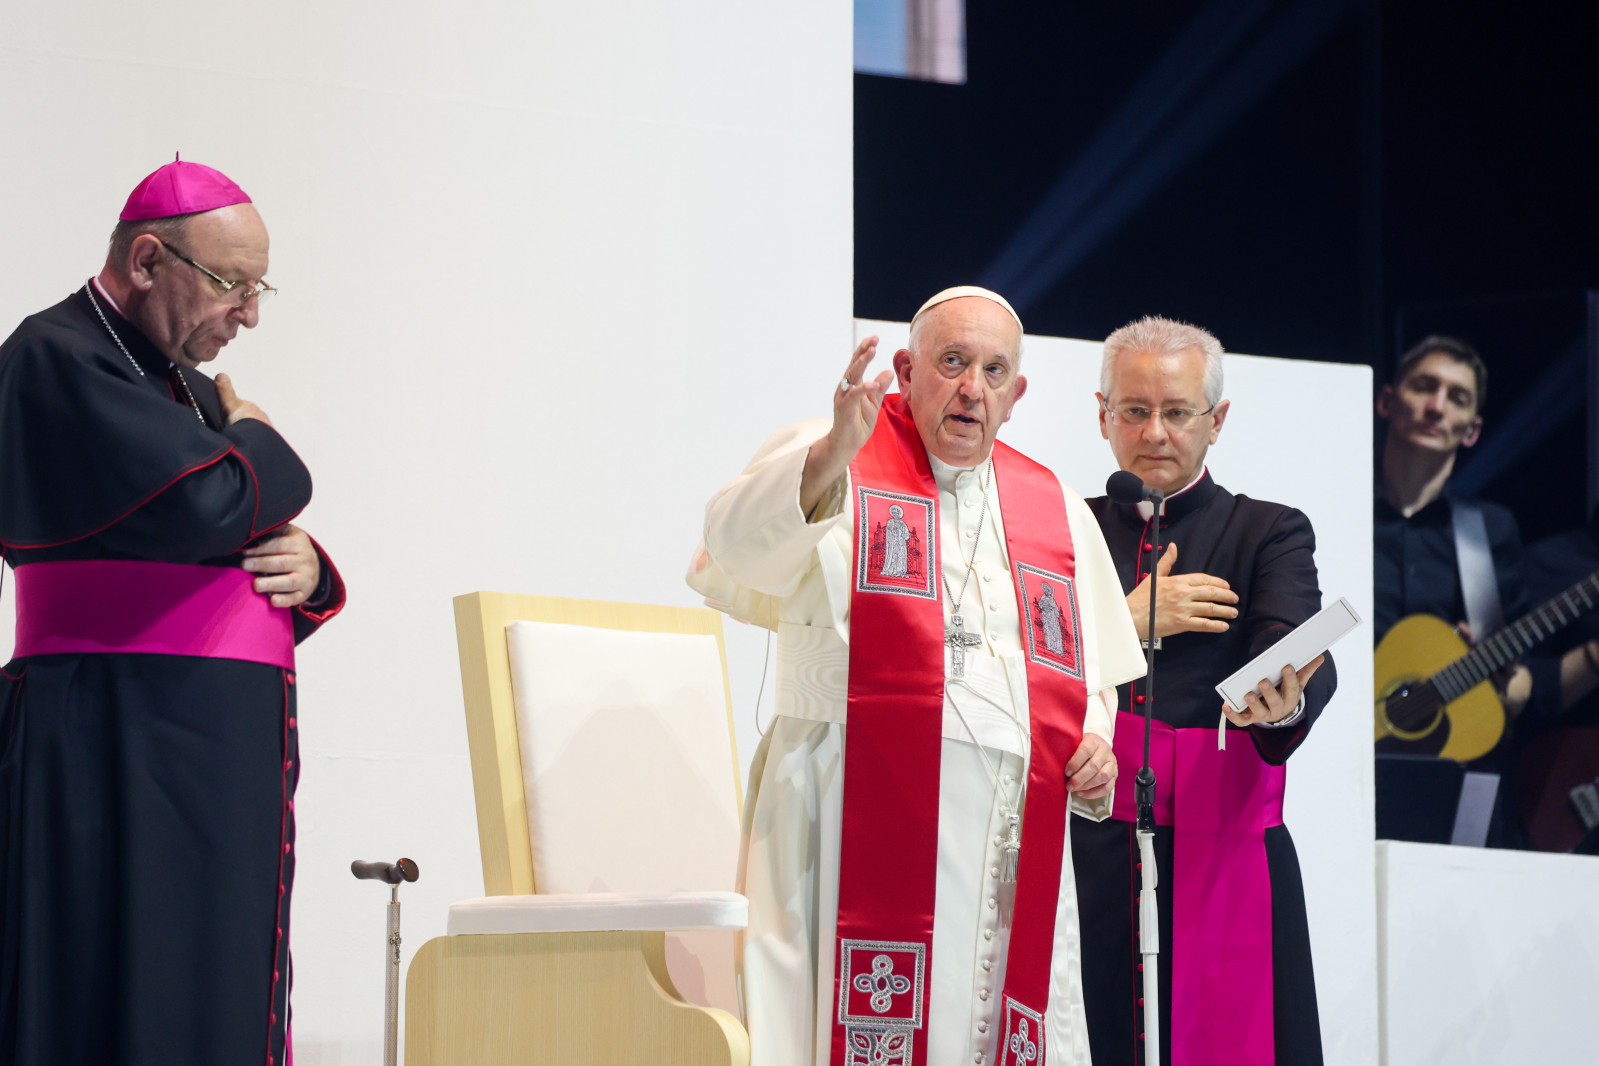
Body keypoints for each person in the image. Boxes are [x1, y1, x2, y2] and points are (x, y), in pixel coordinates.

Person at [687, 287, 1145, 1066]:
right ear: (905, 370)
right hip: (844, 804)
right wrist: (829, 457)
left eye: (993, 371)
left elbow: (1086, 676)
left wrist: (1094, 742)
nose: (972, 388)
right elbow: (734, 550)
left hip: (1005, 831)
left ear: (1016, 393)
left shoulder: (1055, 510)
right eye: (952, 362)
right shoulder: (835, 450)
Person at [0, 157, 345, 1066]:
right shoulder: (54, 355)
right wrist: (256, 432)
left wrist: (304, 568)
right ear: (148, 259)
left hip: (204, 743)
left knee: (215, 983)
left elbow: (218, 528)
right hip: (112, 736)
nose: (249, 314)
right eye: (232, 284)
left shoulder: (179, 380)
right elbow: (206, 504)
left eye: (259, 287)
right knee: (123, 982)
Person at [1071, 315, 1337, 1066]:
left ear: (1215, 421)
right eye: (1134, 410)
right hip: (1090, 842)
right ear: (1102, 416)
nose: (1154, 432)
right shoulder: (1065, 529)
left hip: (1226, 843)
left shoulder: (1268, 530)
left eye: (1177, 412)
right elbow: (1019, 660)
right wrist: (1127, 621)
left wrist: (1282, 703)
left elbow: (1292, 642)